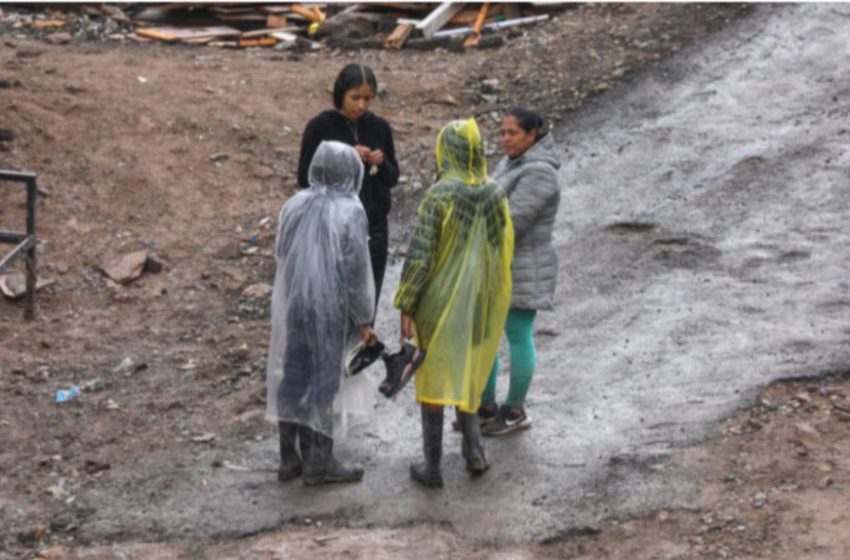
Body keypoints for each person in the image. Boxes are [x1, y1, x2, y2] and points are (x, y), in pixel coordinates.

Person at [394, 119, 514, 488]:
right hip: (478, 301)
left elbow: (420, 257)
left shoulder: (440, 195)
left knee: (432, 379)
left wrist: (406, 305)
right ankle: (474, 452)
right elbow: (501, 245)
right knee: (467, 372)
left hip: (439, 303)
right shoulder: (495, 192)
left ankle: (432, 467)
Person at [266, 140, 375, 486]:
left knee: (294, 372)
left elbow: (282, 252)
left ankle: (288, 457)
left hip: (297, 303)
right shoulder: (350, 210)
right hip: (330, 306)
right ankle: (320, 461)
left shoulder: (295, 204)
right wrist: (363, 317)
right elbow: (356, 269)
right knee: (324, 381)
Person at [479, 107, 561, 437]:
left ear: (532, 135)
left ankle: (514, 409)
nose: (505, 139)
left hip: (525, 264)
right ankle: (485, 404)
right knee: (486, 335)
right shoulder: (513, 163)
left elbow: (512, 221)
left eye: (512, 133)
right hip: (500, 264)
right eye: (501, 133)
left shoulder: (540, 172)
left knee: (516, 335)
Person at [297, 63, 399, 315]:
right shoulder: (320, 127)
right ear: (341, 93)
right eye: (355, 98)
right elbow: (305, 178)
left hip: (373, 228)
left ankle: (363, 352)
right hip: (333, 230)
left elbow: (393, 176)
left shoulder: (379, 127)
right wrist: (345, 157)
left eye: (367, 98)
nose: (362, 105)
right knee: (334, 303)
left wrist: (381, 162)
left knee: (367, 301)